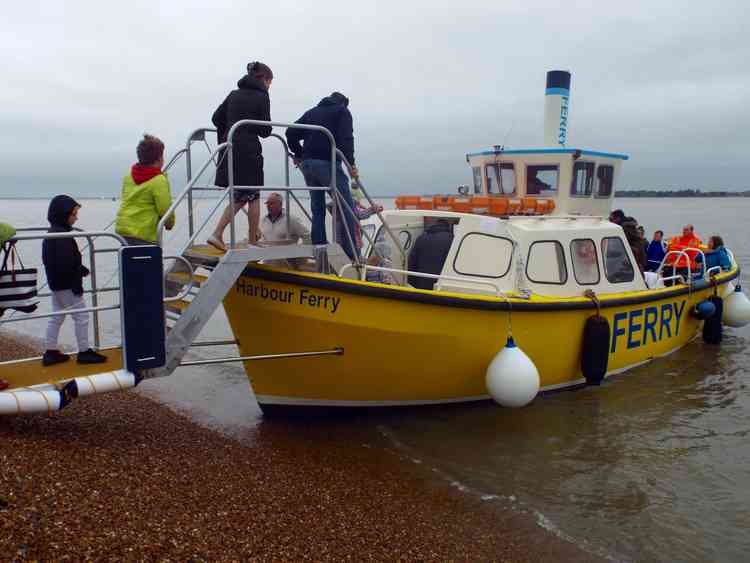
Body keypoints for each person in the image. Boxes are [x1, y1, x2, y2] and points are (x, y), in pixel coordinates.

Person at [208, 61, 274, 251]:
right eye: (270, 82)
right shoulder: (262, 96)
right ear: (263, 79)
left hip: (230, 148)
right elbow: (265, 130)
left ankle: (218, 233)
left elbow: (215, 118)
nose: (270, 86)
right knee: (253, 195)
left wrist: (228, 130)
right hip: (248, 151)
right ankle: (251, 241)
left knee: (240, 195)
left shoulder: (234, 94)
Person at [286, 91, 359, 260]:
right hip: (327, 163)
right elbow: (346, 139)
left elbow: (290, 132)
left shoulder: (311, 113)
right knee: (346, 206)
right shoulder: (342, 111)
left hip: (307, 164)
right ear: (343, 103)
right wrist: (351, 164)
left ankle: (319, 248)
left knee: (317, 208)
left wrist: (299, 153)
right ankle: (351, 254)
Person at [42, 196, 106, 366]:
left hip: (56, 284)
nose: (76, 218)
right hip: (67, 285)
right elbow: (65, 264)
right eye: (74, 214)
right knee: (82, 317)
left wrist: (80, 268)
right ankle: (84, 352)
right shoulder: (61, 236)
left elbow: (59, 261)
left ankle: (50, 351)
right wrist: (78, 276)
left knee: (56, 317)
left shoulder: (53, 233)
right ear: (63, 215)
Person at [115, 135, 174, 246]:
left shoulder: (129, 177)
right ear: (159, 158)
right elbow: (165, 208)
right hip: (144, 234)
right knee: (150, 263)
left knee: (130, 262)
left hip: (123, 231)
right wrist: (169, 223)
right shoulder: (158, 180)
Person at [407, 218, 454, 290]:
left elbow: (412, 261)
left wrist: (410, 280)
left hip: (421, 280)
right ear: (448, 227)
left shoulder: (421, 238)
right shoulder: (452, 239)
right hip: (440, 282)